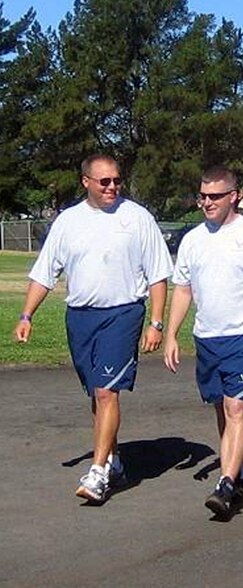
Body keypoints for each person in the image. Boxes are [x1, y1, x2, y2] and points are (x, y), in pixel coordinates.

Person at [14, 154, 172, 504]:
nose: (112, 187)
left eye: (116, 180)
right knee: (96, 394)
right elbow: (45, 273)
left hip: (123, 313)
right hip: (81, 317)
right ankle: (113, 459)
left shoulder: (137, 218)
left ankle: (98, 472)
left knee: (106, 392)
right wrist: (27, 315)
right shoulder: (68, 222)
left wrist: (156, 322)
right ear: (86, 181)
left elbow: (159, 273)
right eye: (104, 182)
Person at [163, 165, 243, 517]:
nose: (206, 202)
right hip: (208, 338)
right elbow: (183, 289)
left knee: (237, 408)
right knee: (222, 406)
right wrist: (172, 334)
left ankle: (227, 483)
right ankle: (240, 467)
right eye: (202, 196)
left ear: (235, 196)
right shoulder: (193, 239)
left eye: (214, 196)